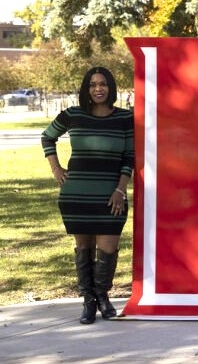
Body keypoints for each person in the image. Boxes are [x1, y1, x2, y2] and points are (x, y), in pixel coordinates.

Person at [41, 66, 135, 324]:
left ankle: (103, 296)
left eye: (103, 84)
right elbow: (47, 137)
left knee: (108, 248)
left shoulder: (124, 118)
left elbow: (129, 156)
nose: (98, 89)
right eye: (92, 84)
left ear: (110, 87)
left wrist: (120, 189)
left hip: (111, 195)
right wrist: (56, 169)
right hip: (78, 195)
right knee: (84, 247)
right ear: (86, 89)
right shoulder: (73, 115)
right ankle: (89, 302)